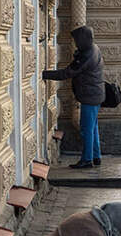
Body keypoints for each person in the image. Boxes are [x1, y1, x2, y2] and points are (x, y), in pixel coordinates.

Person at [43, 25, 104, 169]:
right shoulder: (93, 48)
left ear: (82, 40)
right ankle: (96, 156)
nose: (75, 43)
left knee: (86, 129)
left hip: (90, 96)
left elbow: (69, 72)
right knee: (93, 128)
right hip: (95, 94)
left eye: (77, 40)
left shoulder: (87, 54)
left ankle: (87, 160)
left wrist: (45, 74)